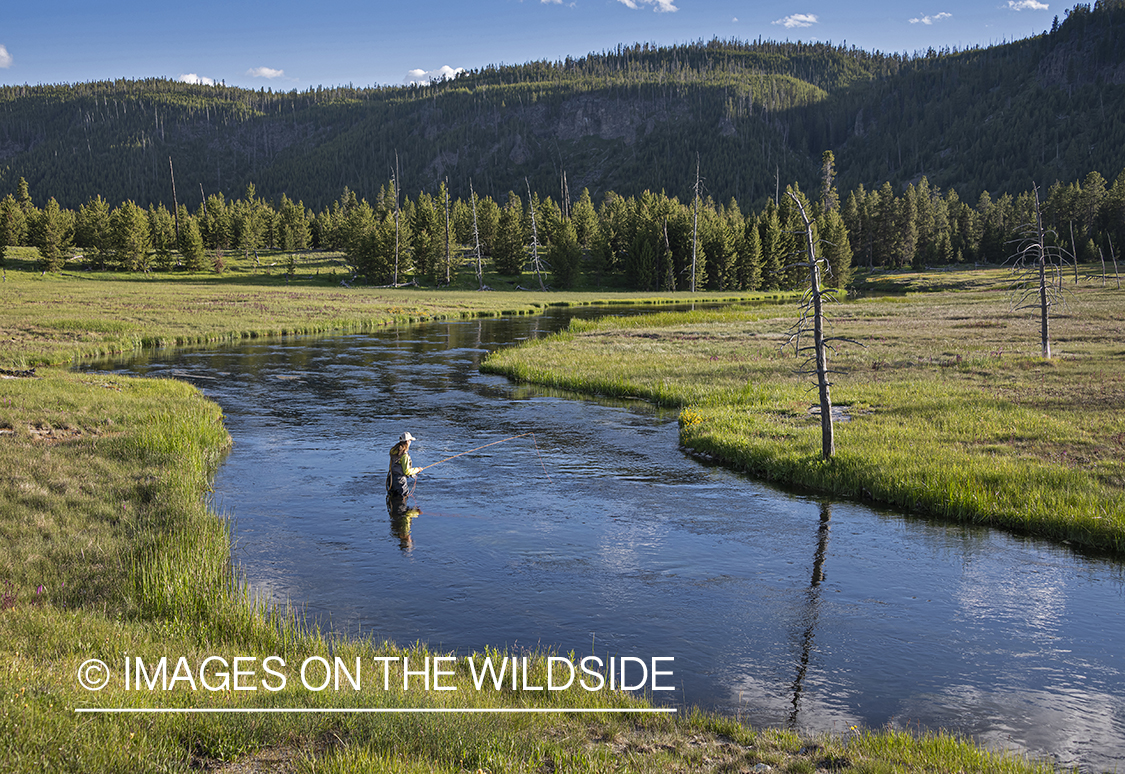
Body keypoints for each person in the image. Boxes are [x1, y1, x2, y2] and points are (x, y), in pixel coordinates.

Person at [386, 431, 421, 497]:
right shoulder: (405, 455)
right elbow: (406, 471)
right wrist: (417, 470)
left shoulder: (393, 451)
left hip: (391, 479)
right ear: (407, 441)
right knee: (402, 501)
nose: (410, 442)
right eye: (410, 440)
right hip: (400, 482)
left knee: (393, 500)